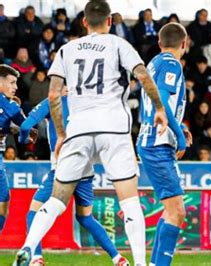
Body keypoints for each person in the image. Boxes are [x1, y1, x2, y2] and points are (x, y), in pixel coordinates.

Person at [14, 1, 168, 265]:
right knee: (129, 199)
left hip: (78, 130)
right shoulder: (120, 44)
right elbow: (142, 76)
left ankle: (29, 247)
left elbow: (53, 95)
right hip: (113, 129)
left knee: (58, 198)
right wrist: (159, 108)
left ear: (84, 22)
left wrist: (61, 134)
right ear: (110, 21)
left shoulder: (66, 49)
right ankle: (139, 263)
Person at [18, 91, 129, 266]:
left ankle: (35, 257)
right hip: (86, 169)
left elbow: (25, 126)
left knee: (34, 211)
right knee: (85, 217)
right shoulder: (90, 103)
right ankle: (118, 258)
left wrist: (23, 139)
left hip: (63, 167)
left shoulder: (52, 101)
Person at [136, 22, 191, 266]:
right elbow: (163, 100)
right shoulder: (171, 64)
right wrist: (178, 134)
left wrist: (180, 128)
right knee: (177, 211)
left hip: (154, 139)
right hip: (157, 142)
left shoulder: (154, 63)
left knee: (171, 210)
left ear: (159, 43)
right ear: (184, 43)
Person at [0, 65, 32, 234]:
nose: (16, 87)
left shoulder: (12, 106)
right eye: (12, 82)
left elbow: (27, 126)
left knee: (3, 202)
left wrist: (27, 135)